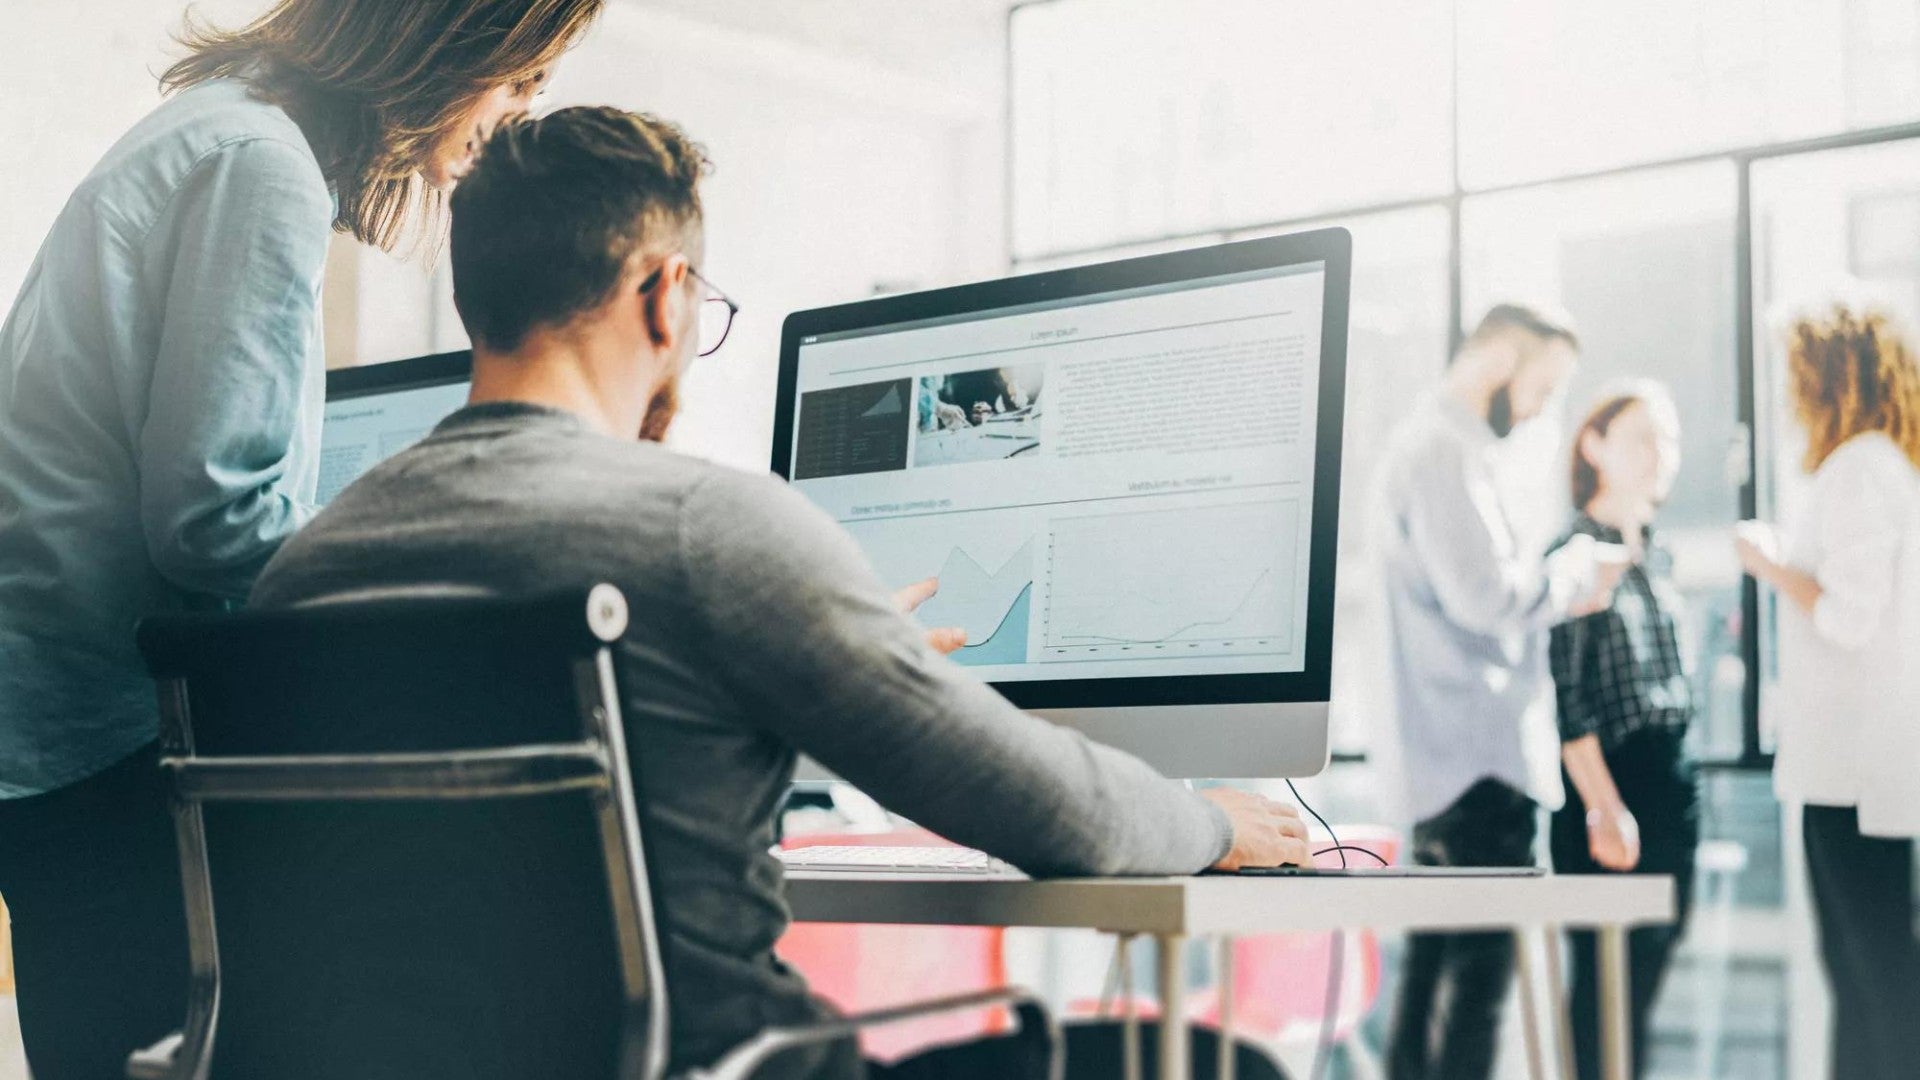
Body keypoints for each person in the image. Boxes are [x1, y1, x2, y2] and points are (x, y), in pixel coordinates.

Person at [249, 105, 1314, 1080]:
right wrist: (1208, 821)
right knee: (1226, 1067)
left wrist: (816, 670)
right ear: (665, 297)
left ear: (477, 295)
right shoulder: (703, 530)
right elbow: (1049, 811)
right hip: (711, 1064)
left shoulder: (306, 568)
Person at [0, 2, 602, 1076]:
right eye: (517, 83)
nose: (511, 121)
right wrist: (440, 582)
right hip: (92, 740)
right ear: (448, 44)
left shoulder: (217, 130)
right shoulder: (258, 166)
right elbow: (215, 521)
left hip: (55, 725)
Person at [1374, 304, 1627, 1080]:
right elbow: (1487, 598)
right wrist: (1580, 575)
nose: (1543, 409)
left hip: (1440, 764)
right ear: (1497, 362)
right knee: (1477, 988)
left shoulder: (1423, 449)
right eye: (1541, 388)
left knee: (1428, 981)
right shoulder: (1444, 453)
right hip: (1478, 762)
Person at [1735, 303, 1920, 1080]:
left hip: (1851, 772)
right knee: (1866, 974)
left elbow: (1848, 615)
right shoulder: (1887, 464)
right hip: (1864, 767)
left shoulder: (1858, 468)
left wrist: (1769, 562)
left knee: (1869, 974)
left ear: (1829, 373)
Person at [1548, 383, 1697, 1080]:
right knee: (1606, 993)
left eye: (1666, 438)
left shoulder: (1657, 555)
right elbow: (1566, 695)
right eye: (1641, 436)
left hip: (1672, 787)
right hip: (1608, 787)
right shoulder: (1575, 554)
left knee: (1643, 989)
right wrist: (1604, 804)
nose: (1657, 454)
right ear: (1595, 445)